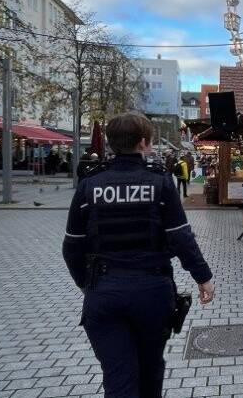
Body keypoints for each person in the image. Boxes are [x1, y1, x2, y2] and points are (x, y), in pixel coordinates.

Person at [62, 112, 216, 398]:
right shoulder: (159, 182)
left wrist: (89, 284)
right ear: (144, 142)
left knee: (118, 376)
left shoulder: (89, 185)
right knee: (149, 370)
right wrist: (203, 277)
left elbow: (72, 246)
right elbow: (181, 237)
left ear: (110, 144)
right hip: (151, 292)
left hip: (104, 292)